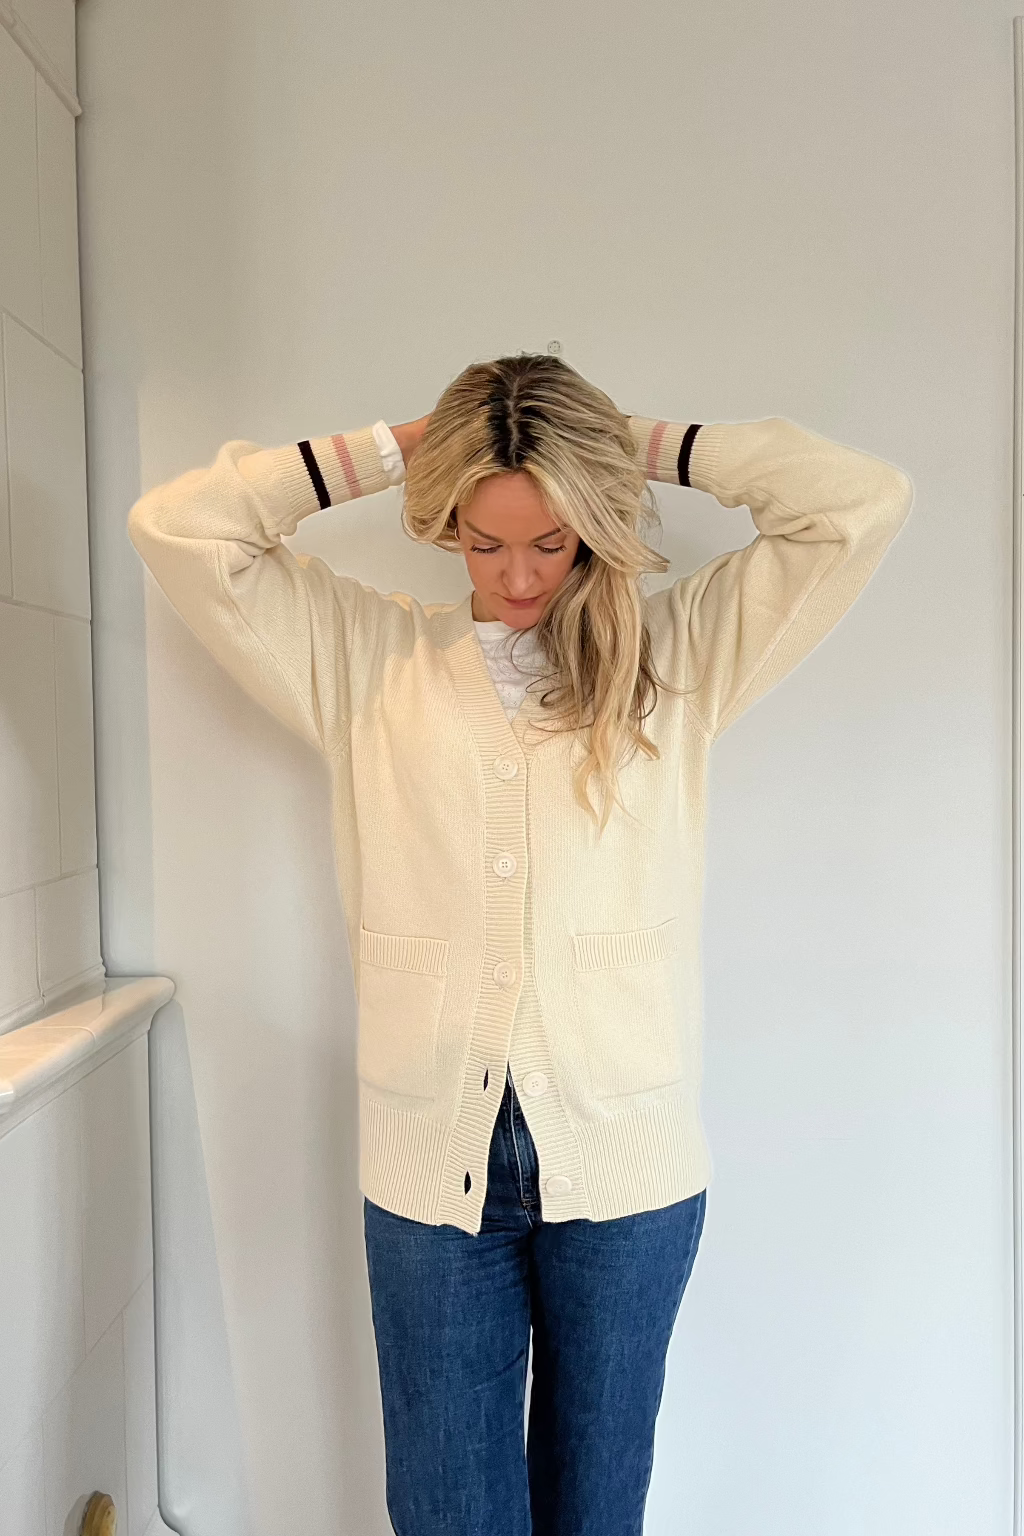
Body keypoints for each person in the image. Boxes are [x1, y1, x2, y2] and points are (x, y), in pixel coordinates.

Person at [127, 352, 914, 1536]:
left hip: (627, 1168)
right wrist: (406, 445)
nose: (517, 575)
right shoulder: (366, 658)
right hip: (428, 1172)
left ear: (592, 524)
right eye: (484, 541)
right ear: (446, 525)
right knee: (448, 1512)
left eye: (550, 540)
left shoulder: (676, 660)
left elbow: (857, 503)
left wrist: (620, 441)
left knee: (596, 1510)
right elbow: (180, 529)